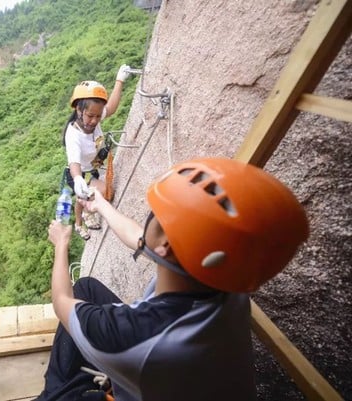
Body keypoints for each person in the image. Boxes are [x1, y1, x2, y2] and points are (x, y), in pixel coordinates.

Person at [38, 157, 309, 401]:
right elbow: (144, 241)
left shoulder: (127, 336)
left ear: (165, 246)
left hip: (151, 358)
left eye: (156, 214)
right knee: (85, 287)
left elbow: (62, 302)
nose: (149, 217)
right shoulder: (229, 274)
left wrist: (61, 244)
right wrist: (102, 206)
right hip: (187, 377)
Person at [63, 65, 134, 240]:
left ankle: (82, 217)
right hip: (79, 173)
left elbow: (111, 108)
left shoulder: (93, 115)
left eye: (97, 116)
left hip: (91, 168)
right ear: (78, 110)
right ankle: (80, 222)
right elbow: (74, 162)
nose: (94, 120)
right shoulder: (73, 135)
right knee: (104, 193)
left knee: (85, 195)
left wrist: (119, 81)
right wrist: (78, 178)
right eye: (89, 116)